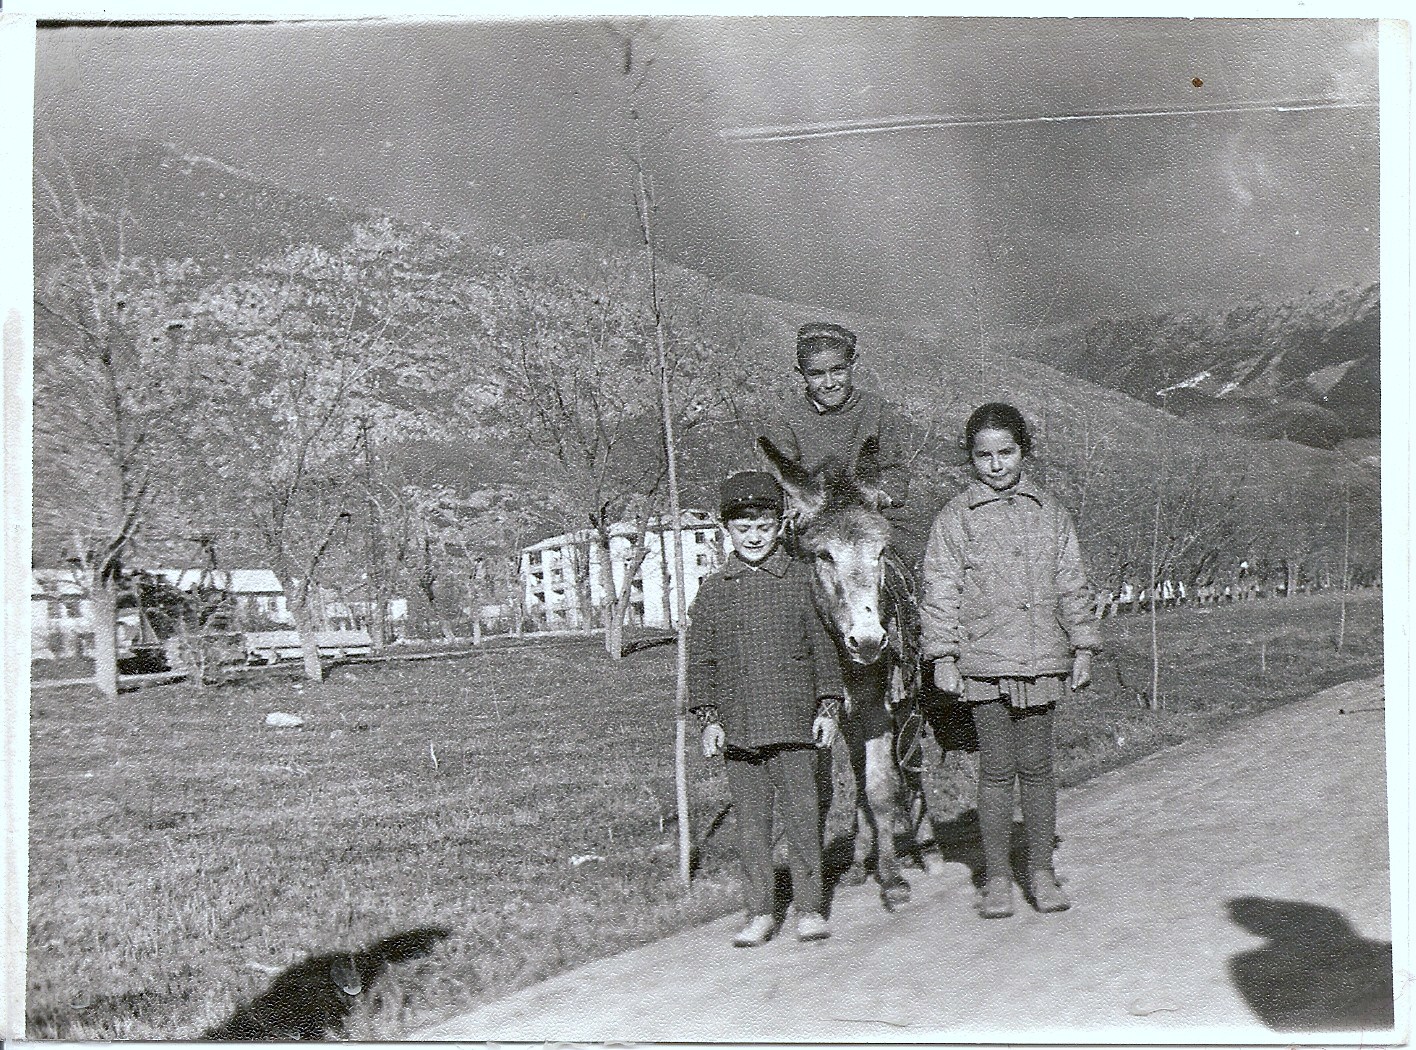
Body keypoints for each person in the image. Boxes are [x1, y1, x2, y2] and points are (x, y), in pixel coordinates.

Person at [919, 402, 1101, 918]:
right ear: (970, 458)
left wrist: (1083, 645)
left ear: (1024, 452)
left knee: (1039, 769)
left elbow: (1072, 584)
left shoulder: (1052, 514)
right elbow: (940, 590)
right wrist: (943, 656)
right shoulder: (955, 518)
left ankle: (1041, 871)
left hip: (1042, 659)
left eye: (1007, 452)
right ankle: (996, 877)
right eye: (984, 455)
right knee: (997, 772)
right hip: (985, 663)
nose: (996, 465)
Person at [688, 471, 843, 946]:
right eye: (743, 528)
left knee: (802, 818)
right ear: (726, 530)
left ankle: (810, 908)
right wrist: (708, 718)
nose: (754, 537)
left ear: (781, 525)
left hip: (795, 724)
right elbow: (701, 660)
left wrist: (828, 707)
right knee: (752, 828)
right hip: (738, 730)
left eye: (764, 525)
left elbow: (824, 650)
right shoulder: (715, 590)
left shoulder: (802, 580)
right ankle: (758, 913)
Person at [762, 321, 922, 561]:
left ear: (853, 363)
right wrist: (796, 508)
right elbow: (781, 478)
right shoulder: (787, 417)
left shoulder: (875, 409)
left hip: (867, 515)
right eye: (816, 374)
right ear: (800, 372)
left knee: (909, 557)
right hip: (816, 518)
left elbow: (895, 470)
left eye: (838, 370)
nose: (829, 383)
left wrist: (880, 495)